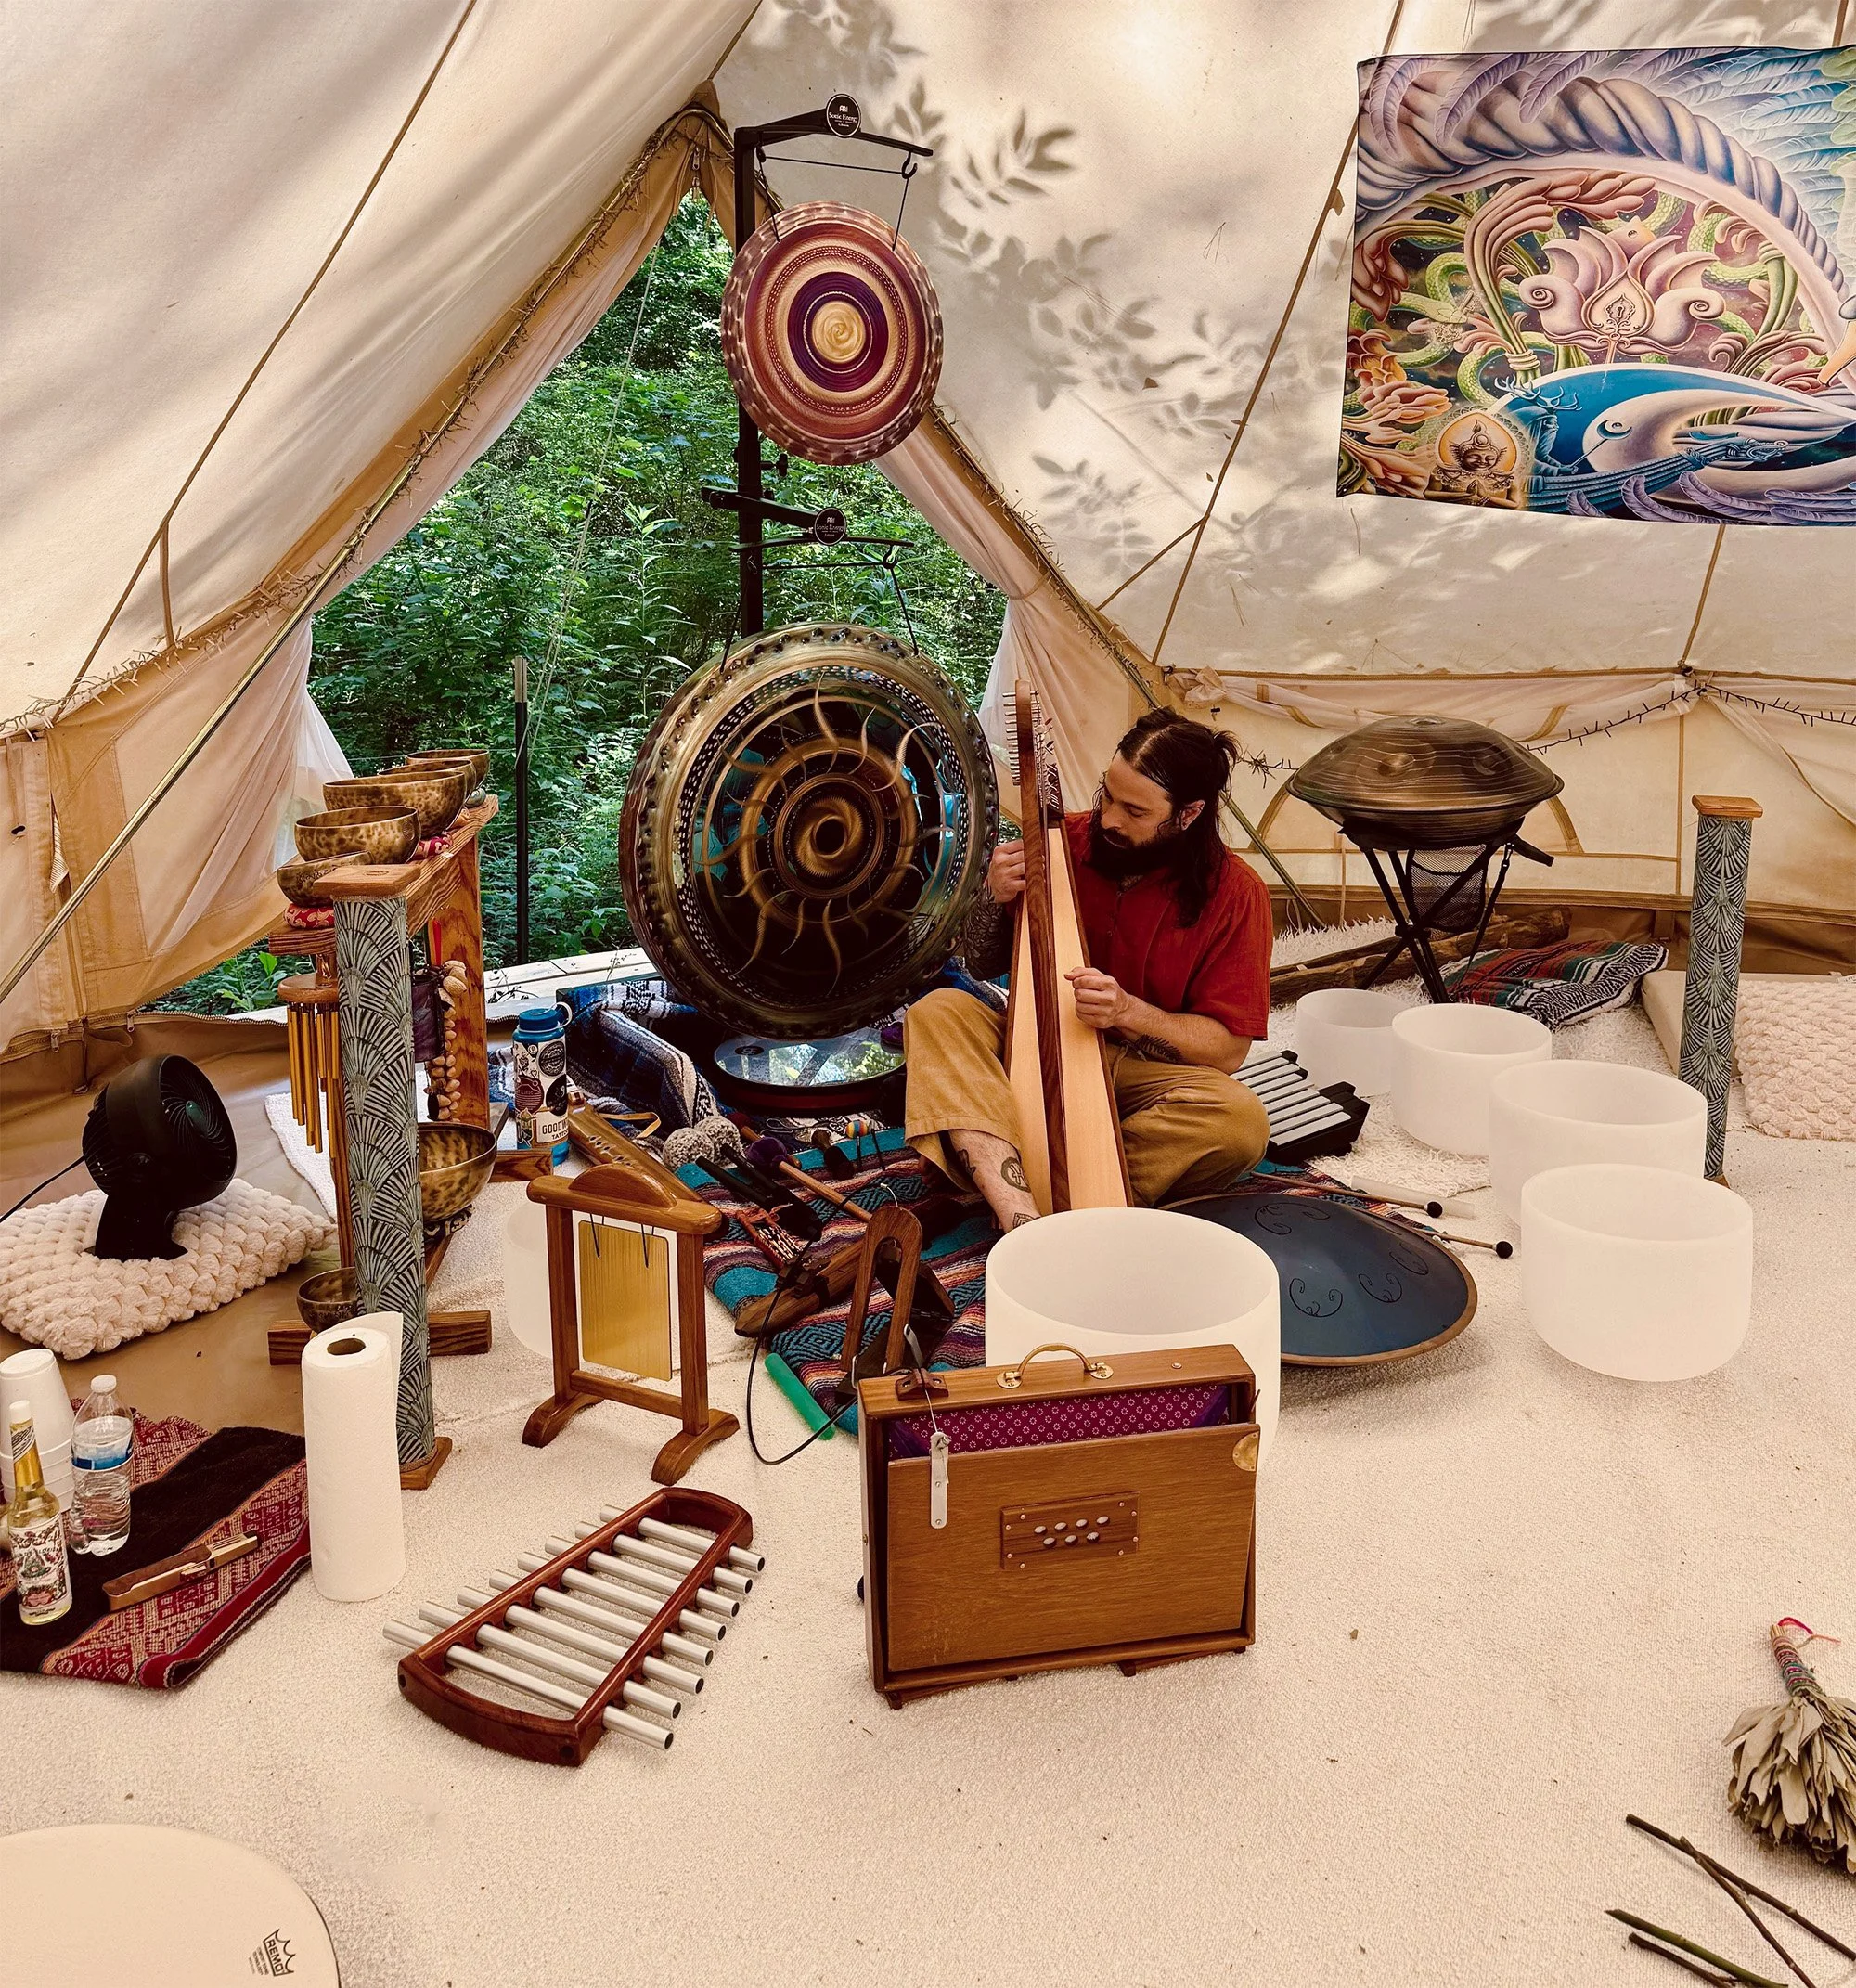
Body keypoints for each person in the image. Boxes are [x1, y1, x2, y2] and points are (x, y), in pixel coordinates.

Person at [905, 708, 1272, 1230]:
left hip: (1141, 1072)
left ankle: (1055, 1184)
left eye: (1135, 811)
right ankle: (1020, 1215)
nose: (1108, 819)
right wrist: (992, 898)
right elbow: (979, 962)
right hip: (1034, 1042)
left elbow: (1228, 1051)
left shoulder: (1238, 894)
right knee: (939, 1012)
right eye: (1106, 794)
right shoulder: (1060, 843)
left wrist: (1130, 1012)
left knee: (1240, 1123)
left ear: (1187, 815)